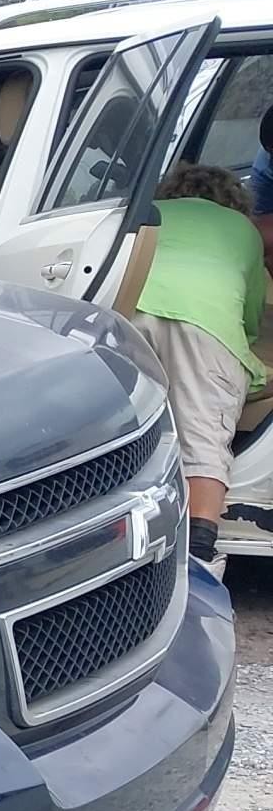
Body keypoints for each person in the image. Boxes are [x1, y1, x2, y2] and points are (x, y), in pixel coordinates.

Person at [122, 161, 269, 568]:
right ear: (234, 202)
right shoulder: (245, 231)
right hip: (206, 326)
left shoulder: (151, 211)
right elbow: (250, 317)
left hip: (131, 311)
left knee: (120, 429)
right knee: (203, 441)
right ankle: (199, 555)